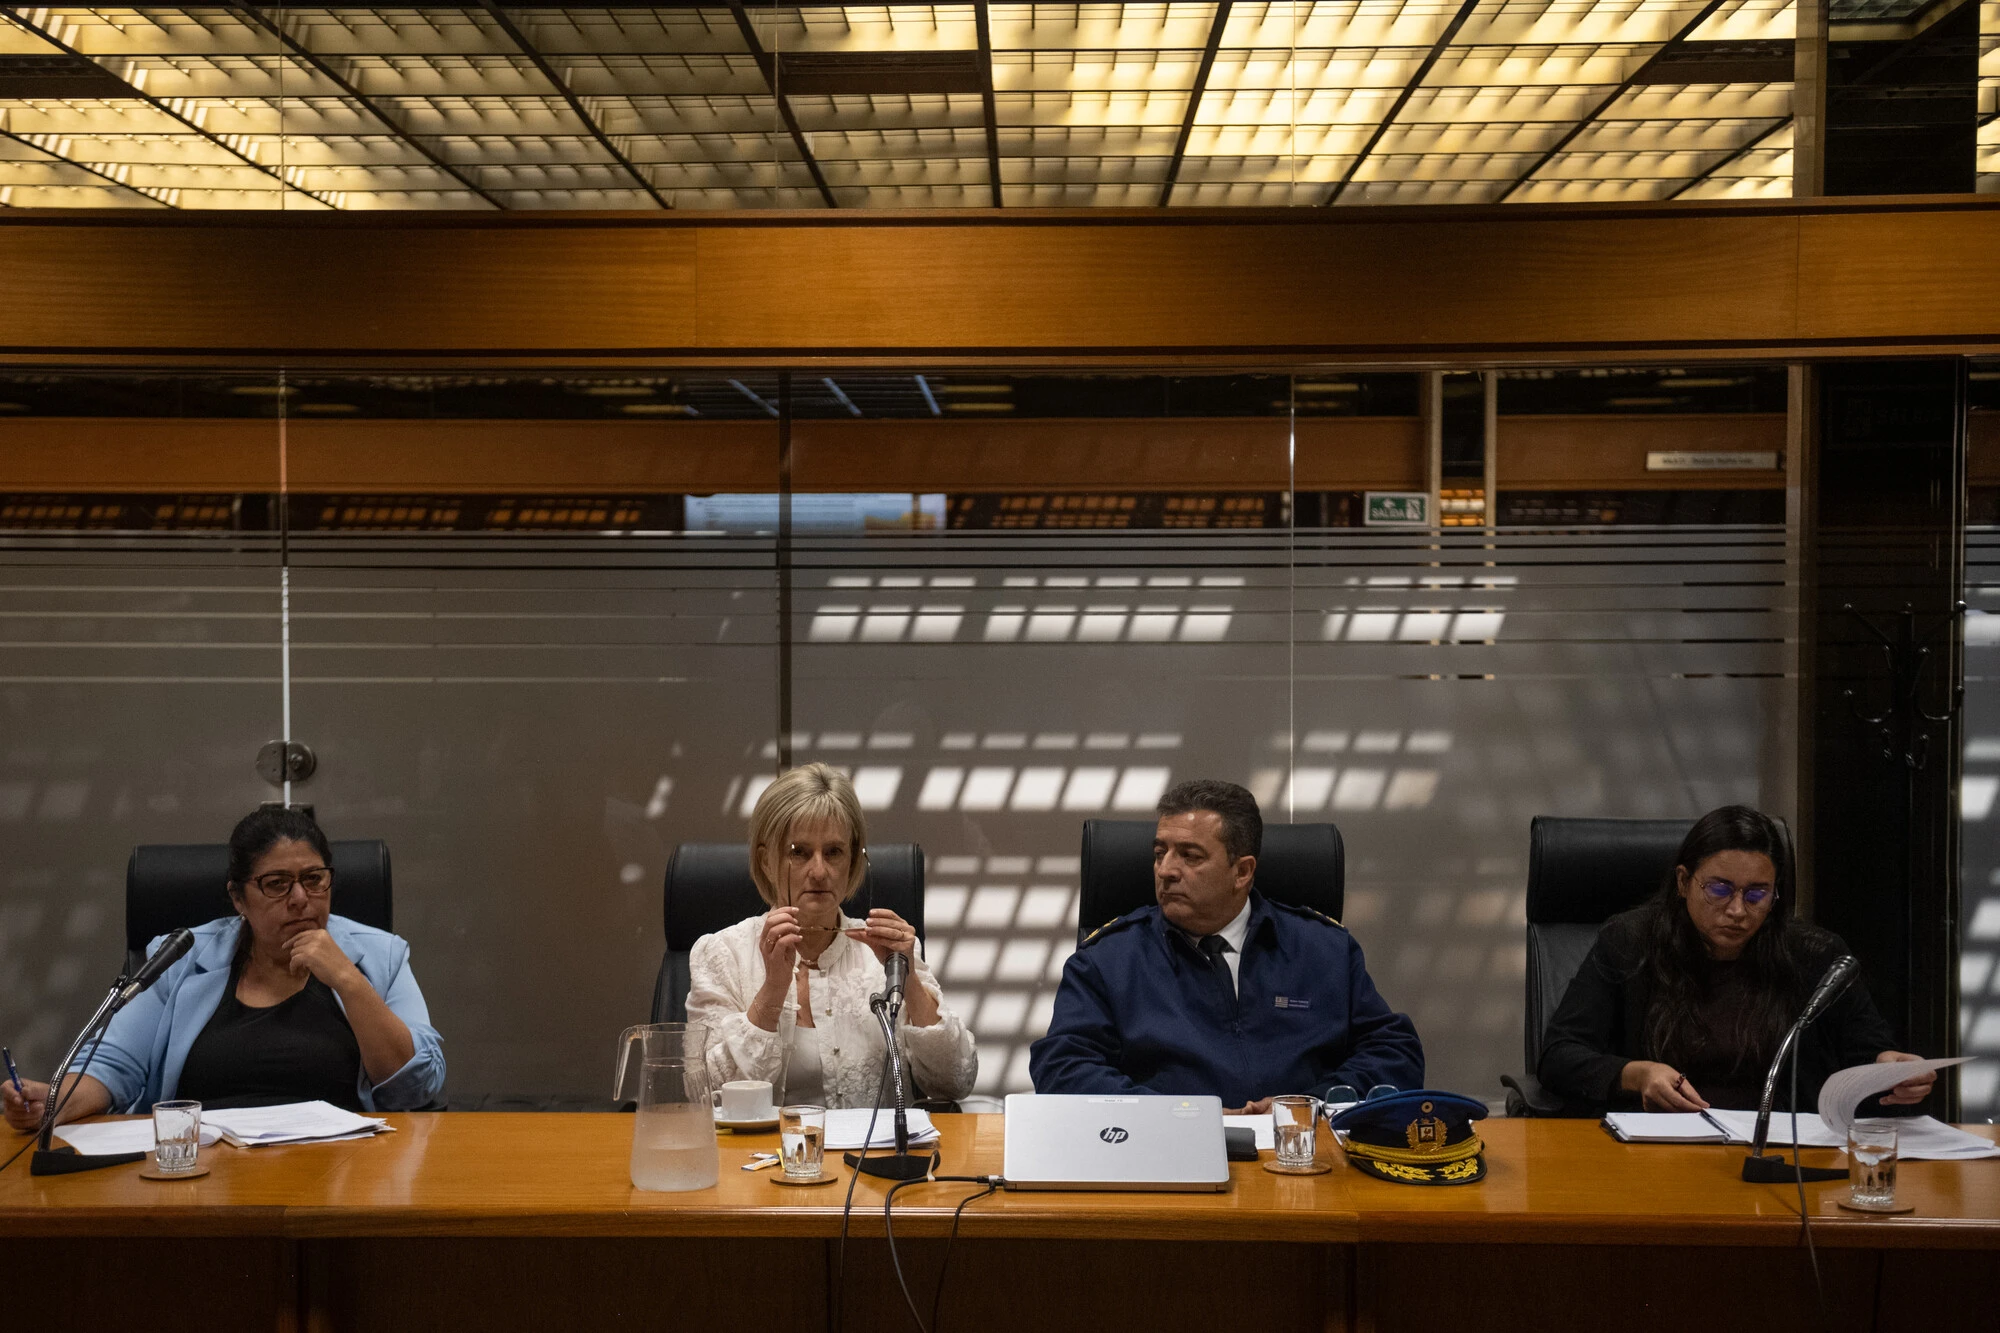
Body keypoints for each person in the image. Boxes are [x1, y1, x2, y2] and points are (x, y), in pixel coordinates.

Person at [2, 807, 445, 1132]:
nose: (300, 899)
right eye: (276, 884)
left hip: (341, 1169)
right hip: (204, 1171)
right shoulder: (179, 957)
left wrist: (348, 980)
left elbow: (415, 1088)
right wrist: (53, 1102)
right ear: (238, 898)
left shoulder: (380, 955)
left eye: (314, 879)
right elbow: (115, 1065)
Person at [1030, 779, 1423, 1112]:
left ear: (1242, 871)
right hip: (1168, 1157)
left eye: (1190, 856)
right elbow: (1063, 1066)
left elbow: (1394, 1052)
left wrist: (1308, 1106)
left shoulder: (1323, 950)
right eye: (1159, 853)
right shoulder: (1108, 959)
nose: (1166, 870)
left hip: (1303, 1155)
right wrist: (1184, 1116)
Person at [1538, 804, 1934, 1115]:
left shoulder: (1816, 956)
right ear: (1683, 882)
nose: (1738, 910)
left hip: (1779, 1151)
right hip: (1658, 1147)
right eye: (1719, 889)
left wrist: (1890, 1069)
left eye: (1757, 894)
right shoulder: (1629, 943)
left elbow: (1867, 1053)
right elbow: (1559, 1055)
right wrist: (1636, 1074)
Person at [686, 763, 976, 1107]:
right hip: (763, 1144)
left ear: (852, 861)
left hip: (872, 1143)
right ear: (766, 861)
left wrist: (908, 980)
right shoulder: (722, 953)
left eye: (834, 852)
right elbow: (704, 1095)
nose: (820, 871)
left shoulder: (885, 952)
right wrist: (773, 991)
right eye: (799, 852)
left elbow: (956, 1081)